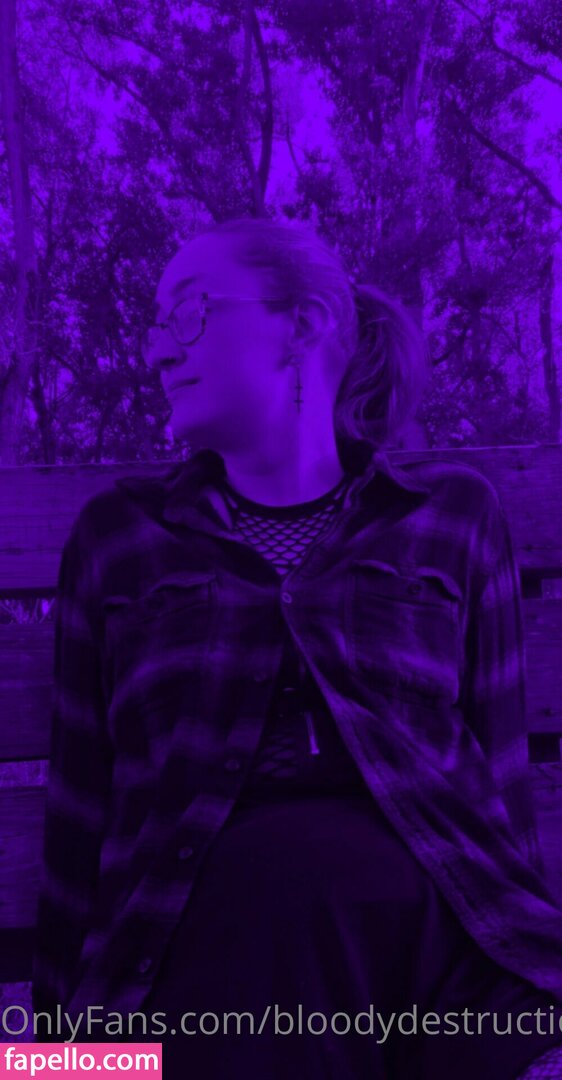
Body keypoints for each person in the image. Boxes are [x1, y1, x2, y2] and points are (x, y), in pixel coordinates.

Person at [32, 216, 562, 1079]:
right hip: (211, 980)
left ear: (302, 325)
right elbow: (78, 816)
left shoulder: (450, 518)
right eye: (156, 325)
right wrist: (61, 1059)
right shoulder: (120, 538)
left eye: (189, 312)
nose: (158, 351)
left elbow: (498, 796)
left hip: (449, 970)